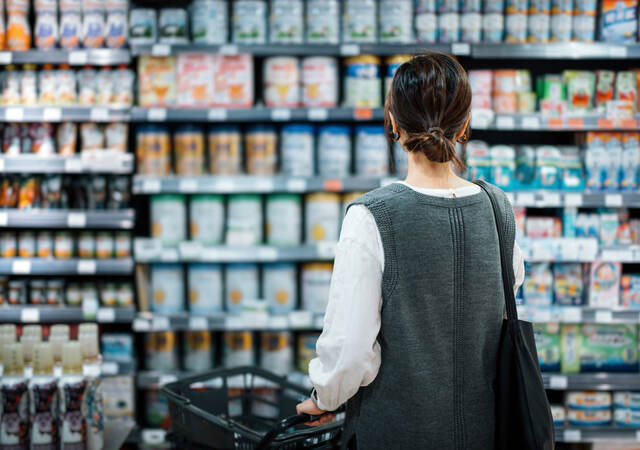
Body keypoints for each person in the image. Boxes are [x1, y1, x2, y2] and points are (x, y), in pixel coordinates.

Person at [296, 52, 525, 449]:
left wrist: (324, 398)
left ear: (393, 122)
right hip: (485, 432)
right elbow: (503, 303)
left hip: (396, 433)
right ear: (465, 124)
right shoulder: (498, 207)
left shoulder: (372, 217)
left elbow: (349, 352)